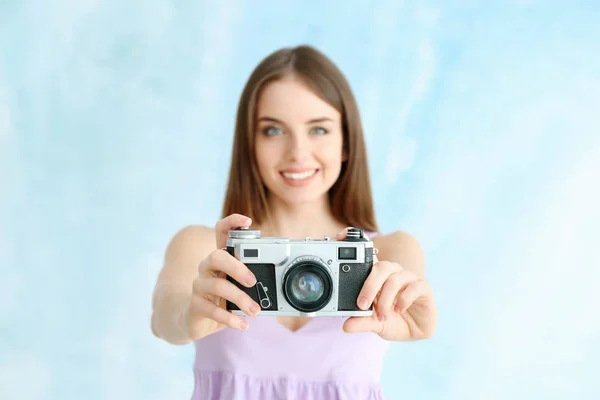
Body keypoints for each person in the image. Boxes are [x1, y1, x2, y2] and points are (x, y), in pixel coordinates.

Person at [150, 44, 437, 399]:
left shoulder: (389, 253)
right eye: (273, 130)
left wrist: (414, 311)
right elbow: (165, 316)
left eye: (319, 130)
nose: (297, 153)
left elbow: (414, 311)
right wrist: (187, 316)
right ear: (249, 144)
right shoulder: (207, 249)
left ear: (346, 142)